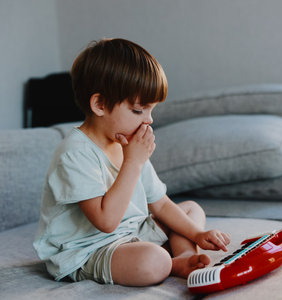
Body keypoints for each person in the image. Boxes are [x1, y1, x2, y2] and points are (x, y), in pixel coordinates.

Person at [33, 38, 230, 287]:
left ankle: (185, 257)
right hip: (91, 250)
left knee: (191, 210)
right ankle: (170, 263)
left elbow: (159, 204)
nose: (148, 121)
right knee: (152, 261)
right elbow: (106, 222)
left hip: (133, 234)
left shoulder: (125, 144)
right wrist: (133, 162)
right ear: (100, 104)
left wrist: (198, 235)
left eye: (151, 111)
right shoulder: (75, 153)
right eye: (139, 110)